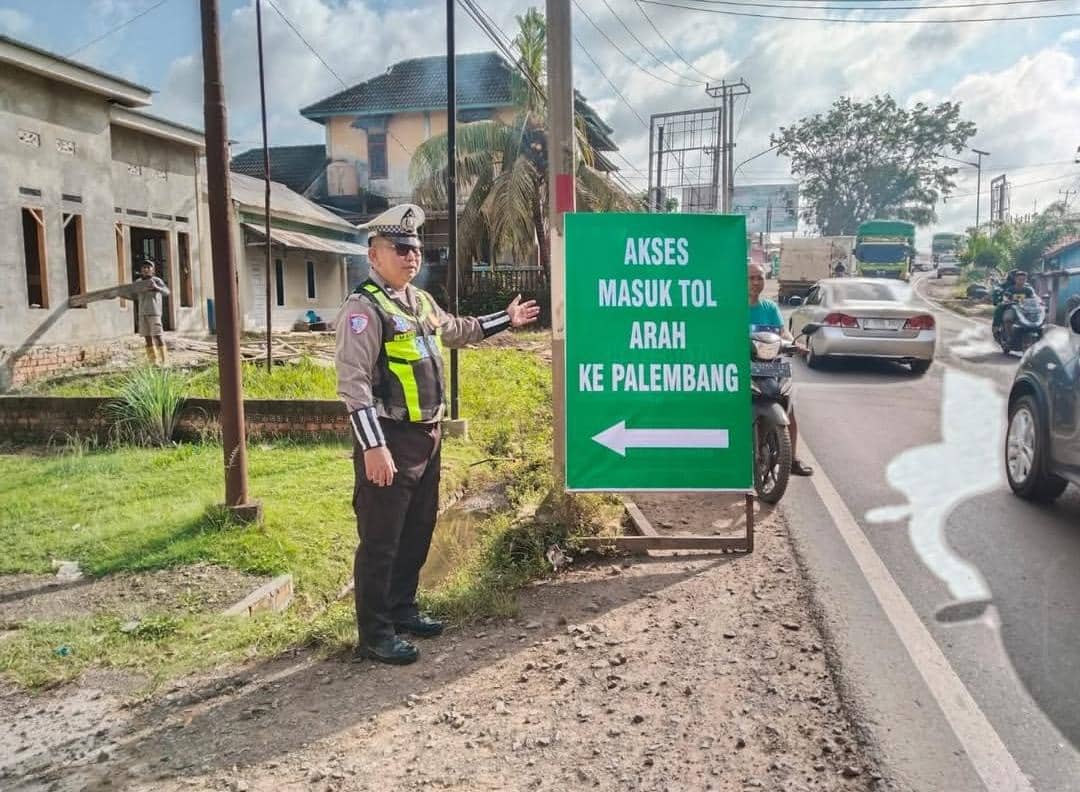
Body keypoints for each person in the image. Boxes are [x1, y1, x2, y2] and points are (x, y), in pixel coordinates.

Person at [336, 203, 540, 666]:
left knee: (418, 529)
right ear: (374, 254)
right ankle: (375, 634)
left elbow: (457, 331)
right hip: (389, 437)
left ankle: (403, 609)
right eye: (400, 248)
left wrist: (505, 318)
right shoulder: (364, 309)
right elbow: (354, 385)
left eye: (416, 249)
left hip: (427, 437)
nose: (411, 256)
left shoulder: (420, 303)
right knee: (381, 539)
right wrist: (373, 446)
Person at [748, 262, 813, 477]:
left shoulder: (770, 308)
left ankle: (791, 458)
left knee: (789, 409)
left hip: (773, 366)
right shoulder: (734, 308)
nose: (756, 282)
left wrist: (795, 344)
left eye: (760, 277)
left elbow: (782, 331)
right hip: (744, 366)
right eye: (751, 278)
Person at [135, 258, 170, 366]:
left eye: (148, 267)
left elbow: (167, 292)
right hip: (142, 313)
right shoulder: (138, 282)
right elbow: (132, 294)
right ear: (141, 270)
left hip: (154, 312)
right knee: (147, 337)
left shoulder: (157, 280)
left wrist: (156, 288)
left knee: (158, 336)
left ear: (153, 270)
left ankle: (165, 361)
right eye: (144, 267)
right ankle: (153, 362)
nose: (146, 269)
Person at [993, 269, 1036, 344]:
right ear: (1015, 279)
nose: (1022, 281)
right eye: (1020, 279)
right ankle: (1009, 336)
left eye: (1023, 279)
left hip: (1025, 309)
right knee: (1008, 319)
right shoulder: (1011, 289)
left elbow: (1034, 298)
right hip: (1013, 309)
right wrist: (1007, 301)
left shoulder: (1029, 290)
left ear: (1026, 279)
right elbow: (1005, 297)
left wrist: (1039, 302)